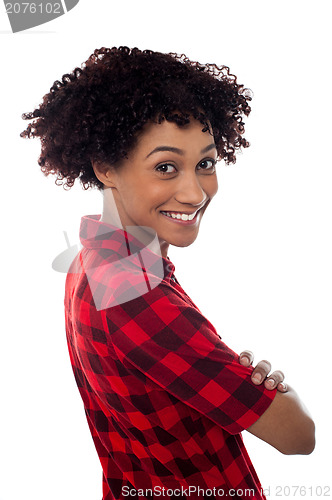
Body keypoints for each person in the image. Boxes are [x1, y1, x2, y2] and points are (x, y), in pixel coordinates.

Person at [20, 46, 315, 500]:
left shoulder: (91, 261)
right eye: (165, 167)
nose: (195, 191)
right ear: (105, 167)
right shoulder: (140, 301)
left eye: (206, 164)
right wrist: (281, 393)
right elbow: (299, 436)